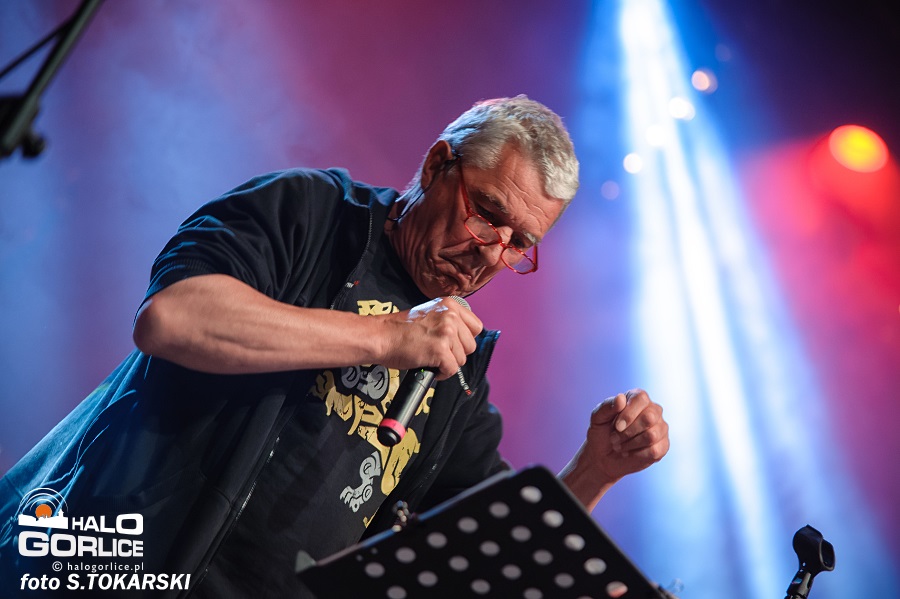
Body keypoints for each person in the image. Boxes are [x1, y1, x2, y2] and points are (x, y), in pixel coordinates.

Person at [0, 96, 669, 598]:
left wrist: (596, 468)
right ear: (439, 164)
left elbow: (496, 549)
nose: (492, 252)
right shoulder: (309, 212)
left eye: (520, 243)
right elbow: (172, 319)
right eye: (488, 214)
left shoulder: (459, 370)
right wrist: (387, 336)